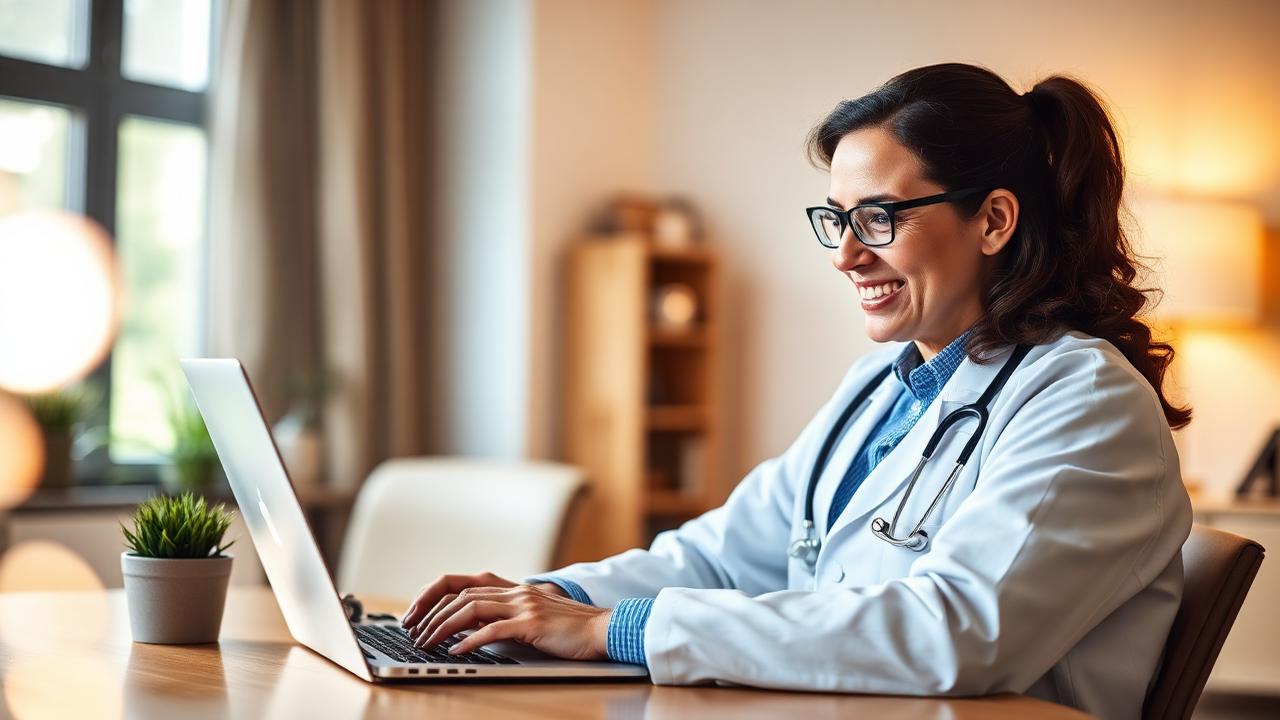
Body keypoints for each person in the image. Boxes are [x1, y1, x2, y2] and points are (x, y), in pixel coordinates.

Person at [399, 63, 1192, 719]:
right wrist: (544, 599)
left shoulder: (1087, 403)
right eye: (837, 218)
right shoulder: (881, 387)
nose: (845, 255)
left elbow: (953, 634)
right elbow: (723, 554)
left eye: (879, 218)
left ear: (993, 221)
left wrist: (612, 629)